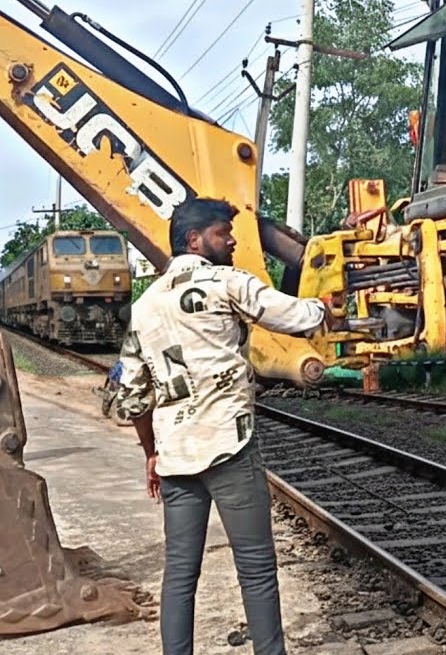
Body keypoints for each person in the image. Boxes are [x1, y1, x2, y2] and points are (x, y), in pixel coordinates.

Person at [116, 198, 332, 655]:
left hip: (175, 456)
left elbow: (131, 397)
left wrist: (151, 454)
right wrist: (325, 308)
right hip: (229, 448)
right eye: (222, 233)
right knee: (255, 567)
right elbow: (291, 315)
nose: (232, 241)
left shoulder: (146, 305)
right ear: (194, 240)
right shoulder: (226, 282)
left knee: (179, 572)